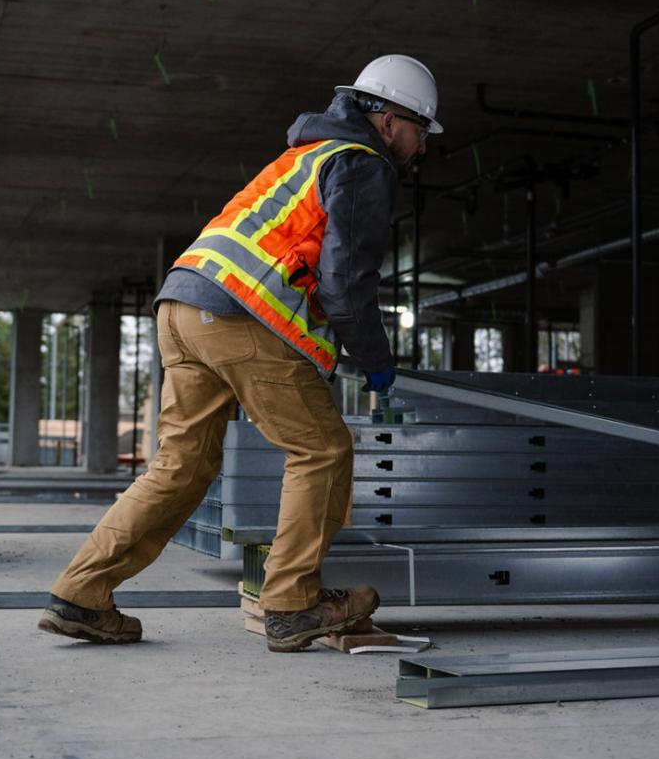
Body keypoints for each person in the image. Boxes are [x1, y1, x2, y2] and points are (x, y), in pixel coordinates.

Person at [38, 55, 441, 652]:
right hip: (238, 315)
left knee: (180, 468)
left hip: (183, 305)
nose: (422, 148)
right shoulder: (362, 164)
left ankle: (82, 593)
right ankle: (292, 603)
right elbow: (346, 280)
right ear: (387, 119)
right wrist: (375, 357)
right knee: (322, 449)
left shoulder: (306, 156)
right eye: (420, 131)